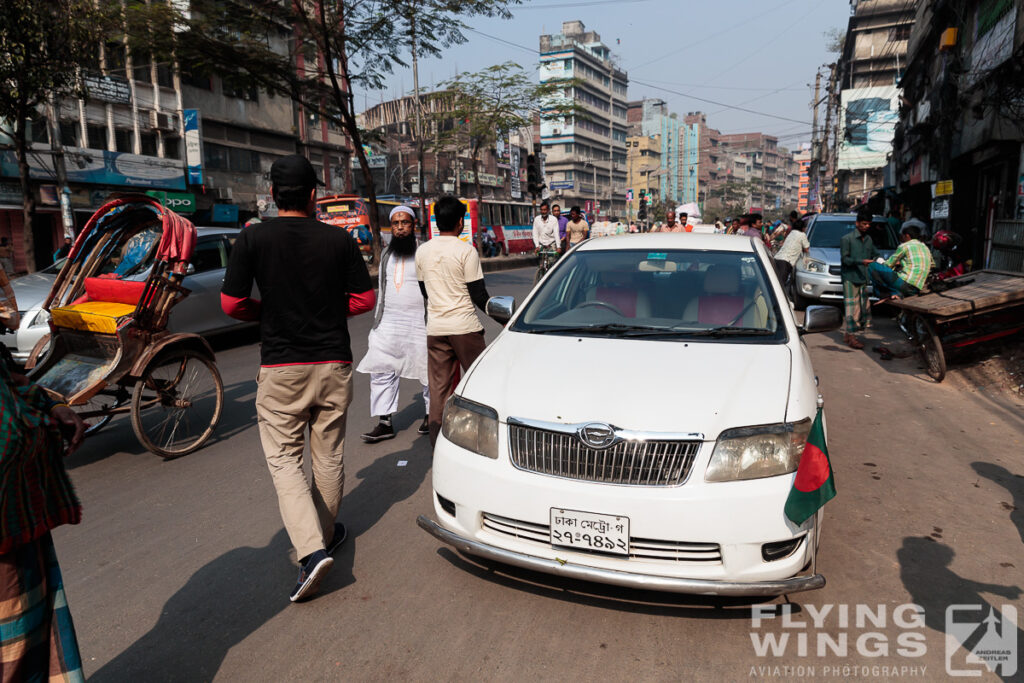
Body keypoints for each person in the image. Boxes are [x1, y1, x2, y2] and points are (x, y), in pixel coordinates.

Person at [221, 154, 376, 602]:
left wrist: (267, 313)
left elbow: (231, 305)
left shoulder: (253, 240)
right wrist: (327, 310)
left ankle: (310, 553)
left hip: (281, 368)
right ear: (314, 196)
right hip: (333, 364)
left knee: (285, 461)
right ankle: (323, 538)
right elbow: (364, 299)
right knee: (328, 456)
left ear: (272, 195)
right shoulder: (339, 241)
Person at [1, 271, 88, 682]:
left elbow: (13, 385)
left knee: (33, 636)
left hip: (20, 515)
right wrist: (36, 430)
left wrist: (49, 407)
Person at [416, 196, 491, 445]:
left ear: (437, 221)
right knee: (480, 384)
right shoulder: (466, 251)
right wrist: (503, 317)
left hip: (436, 329)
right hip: (465, 328)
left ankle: (438, 445)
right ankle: (482, 440)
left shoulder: (422, 251)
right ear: (460, 222)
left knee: (438, 390)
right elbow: (479, 296)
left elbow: (425, 291)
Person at [357, 206, 430, 443]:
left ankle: (431, 415)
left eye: (405, 223)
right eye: (396, 223)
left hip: (420, 321)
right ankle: (384, 422)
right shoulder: (387, 254)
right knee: (381, 369)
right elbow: (383, 288)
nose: (400, 228)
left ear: (414, 225)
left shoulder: (424, 252)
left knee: (427, 369)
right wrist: (376, 323)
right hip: (389, 320)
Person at [840, 207, 879, 349]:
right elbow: (845, 260)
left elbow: (875, 253)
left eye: (868, 224)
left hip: (863, 278)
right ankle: (852, 338)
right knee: (852, 309)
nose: (867, 226)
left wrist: (879, 260)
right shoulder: (847, 239)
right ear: (857, 223)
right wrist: (861, 261)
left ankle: (848, 334)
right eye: (864, 224)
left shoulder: (868, 239)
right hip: (850, 278)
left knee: (863, 308)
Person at [869, 224, 933, 302]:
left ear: (907, 236)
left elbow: (888, 264)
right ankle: (897, 293)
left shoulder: (905, 246)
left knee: (872, 266)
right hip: (916, 288)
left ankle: (883, 294)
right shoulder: (925, 247)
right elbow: (932, 265)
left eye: (902, 236)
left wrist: (879, 261)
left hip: (904, 284)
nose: (902, 238)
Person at [773, 218, 808, 291]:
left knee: (775, 282)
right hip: (786, 262)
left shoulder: (792, 233)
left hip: (777, 258)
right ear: (803, 228)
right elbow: (806, 249)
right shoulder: (802, 235)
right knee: (780, 286)